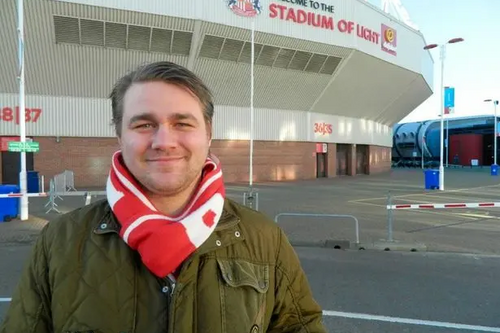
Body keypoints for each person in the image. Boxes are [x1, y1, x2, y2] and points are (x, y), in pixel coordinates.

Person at [0, 61, 326, 333]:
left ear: (208, 133)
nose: (164, 141)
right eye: (144, 124)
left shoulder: (264, 238)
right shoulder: (61, 241)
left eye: (182, 123)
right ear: (119, 135)